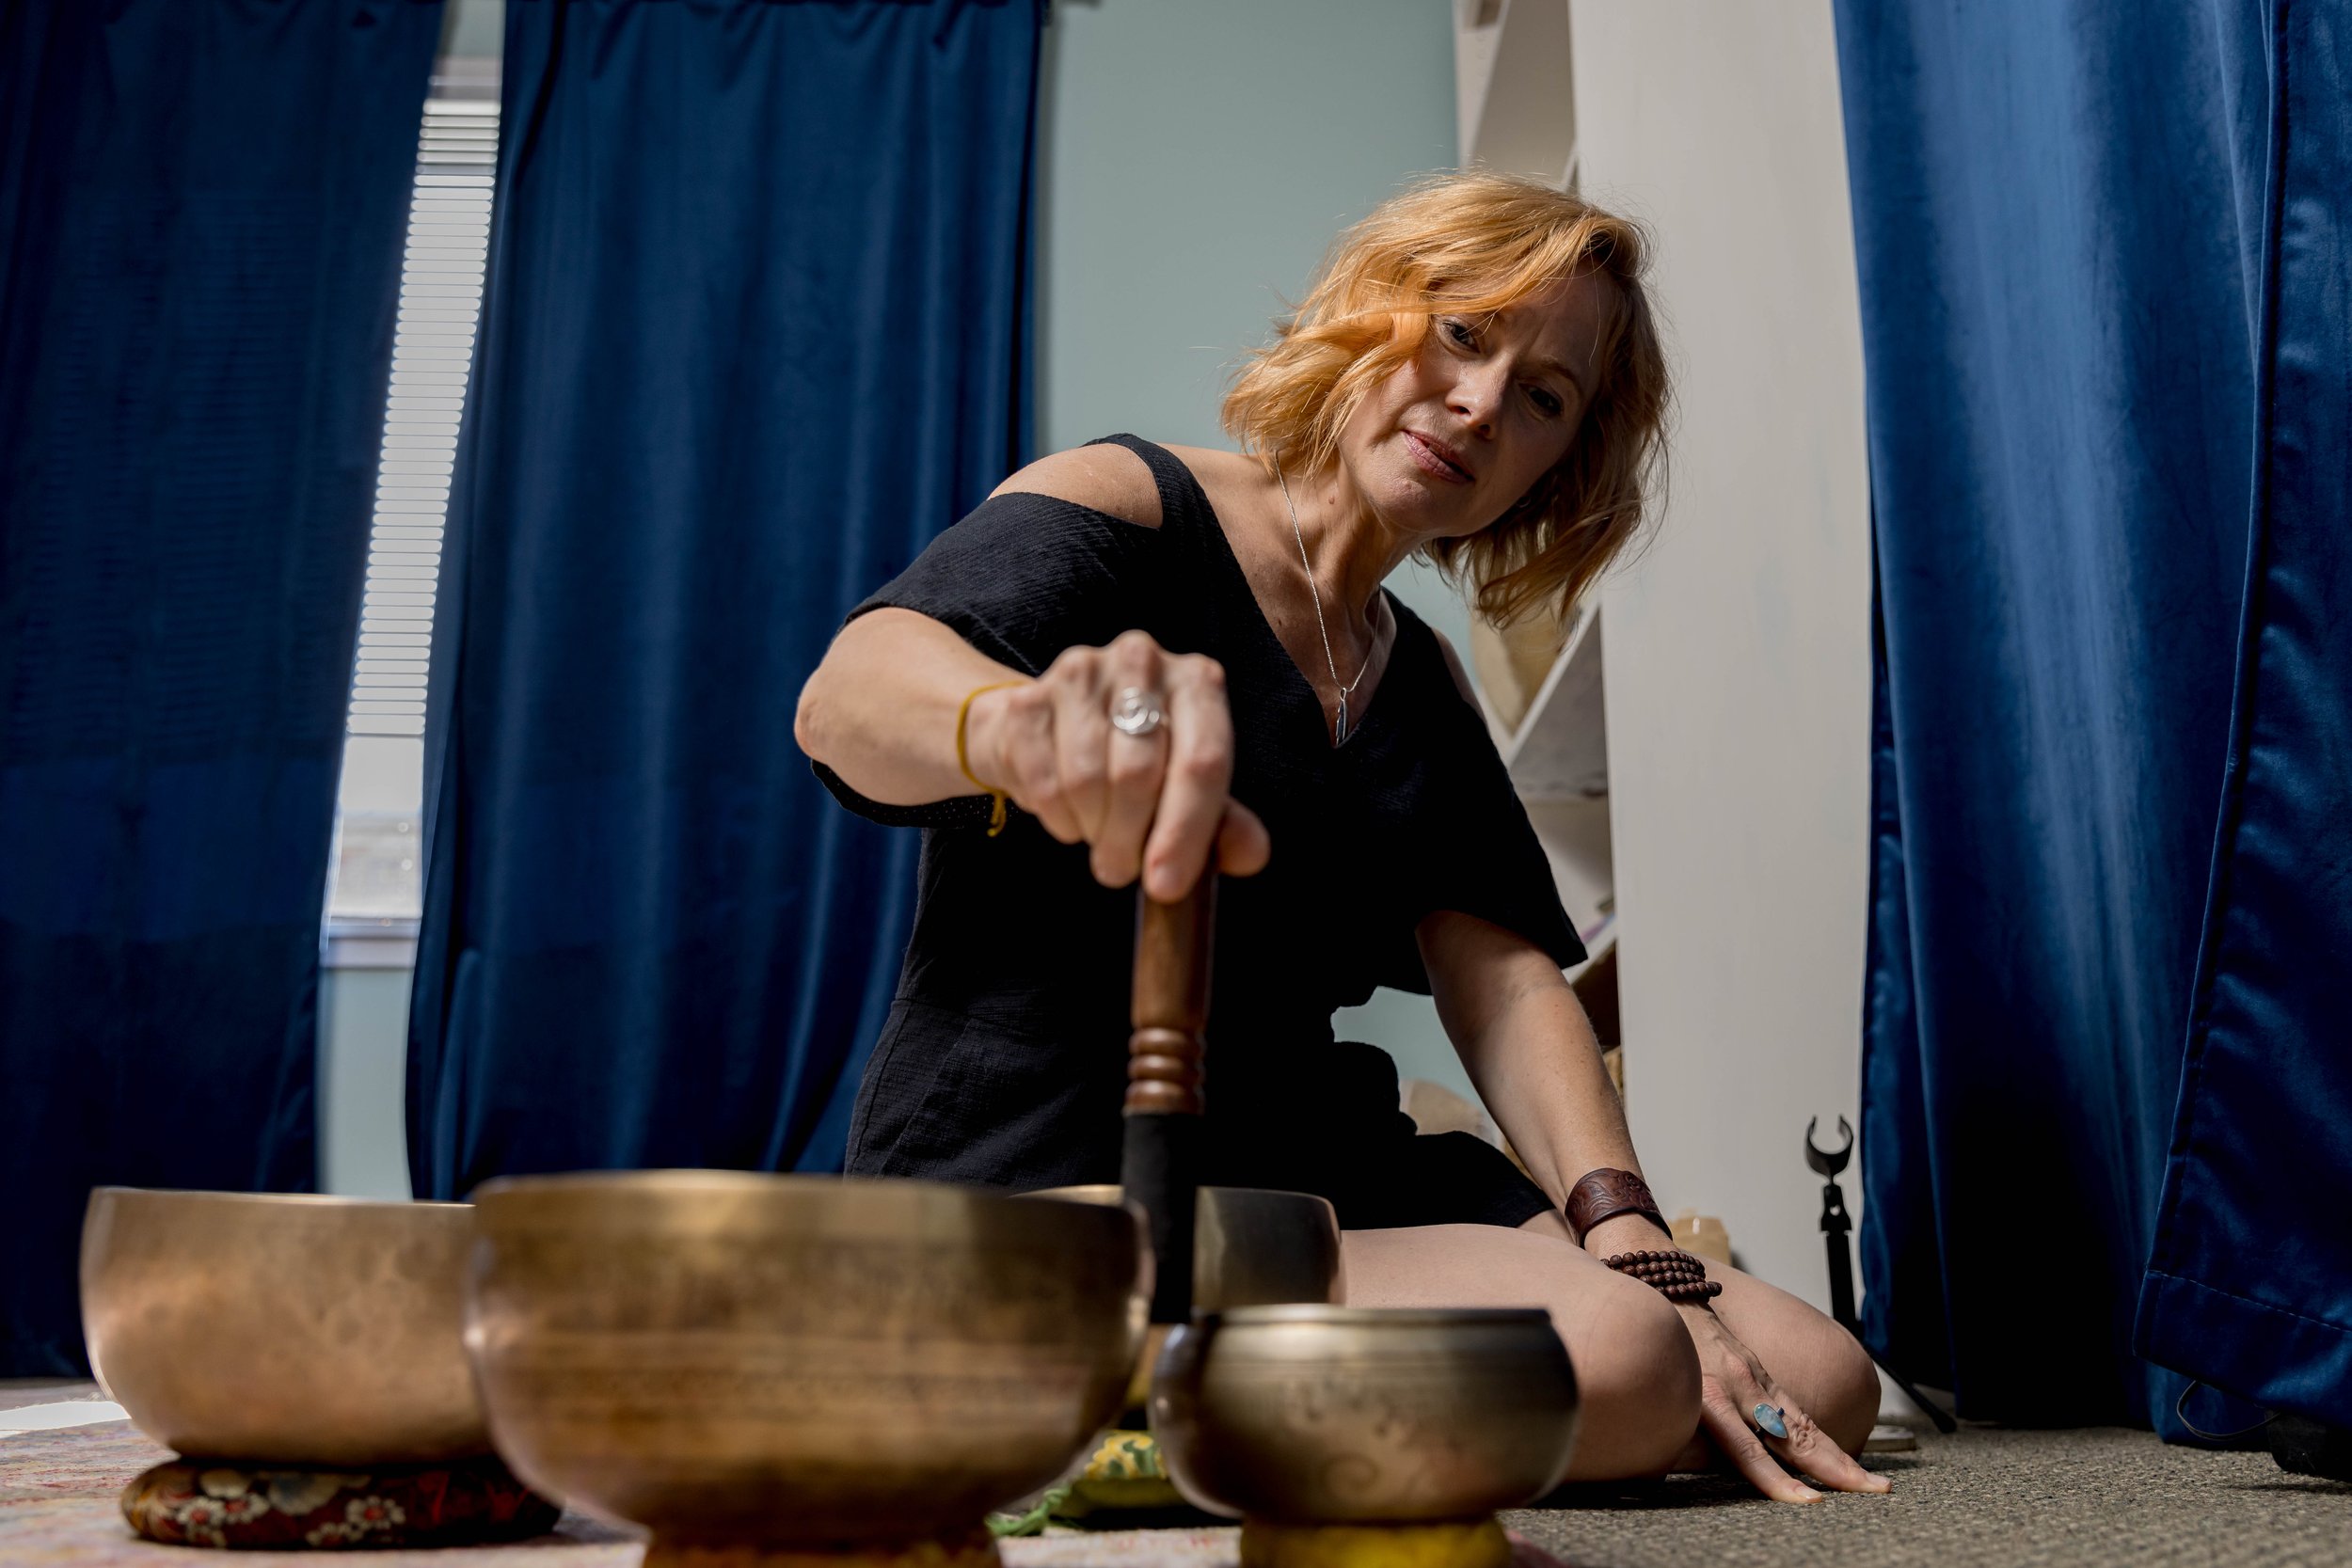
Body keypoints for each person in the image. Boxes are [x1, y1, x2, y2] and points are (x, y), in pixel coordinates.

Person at [795, 172, 1886, 1501]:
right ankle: (1038, 1385)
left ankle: (1188, 1407)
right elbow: (850, 695)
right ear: (1372, 309)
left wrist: (1624, 1228)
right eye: (1465, 331)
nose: (1481, 403)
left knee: (1810, 1372)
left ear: (1559, 462)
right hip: (1059, 1169)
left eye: (1544, 397)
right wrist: (1019, 731)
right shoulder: (1132, 508)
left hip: (1312, 1164)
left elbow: (1507, 979)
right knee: (1626, 1362)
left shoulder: (1419, 677)